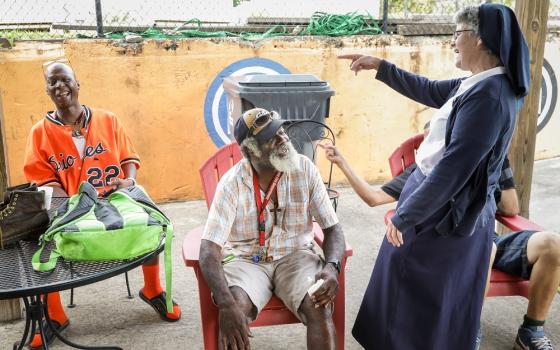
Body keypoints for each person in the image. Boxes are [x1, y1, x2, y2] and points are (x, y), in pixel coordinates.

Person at [338, 3, 530, 350]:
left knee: (422, 299)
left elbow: (454, 168)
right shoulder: (478, 84)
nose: (452, 42)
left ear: (482, 39)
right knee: (405, 290)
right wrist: (380, 66)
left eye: (457, 35)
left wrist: (406, 215)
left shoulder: (489, 97)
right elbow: (428, 89)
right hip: (431, 200)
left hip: (442, 211)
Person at [322, 138, 559, 349]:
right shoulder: (425, 170)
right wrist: (341, 162)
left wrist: (497, 166)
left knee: (553, 243)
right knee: (485, 250)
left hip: (491, 238)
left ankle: (531, 330)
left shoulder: (488, 163)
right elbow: (374, 197)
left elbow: (511, 208)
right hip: (451, 249)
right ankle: (466, 329)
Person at [23, 61, 181, 349]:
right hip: (74, 207)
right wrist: (69, 202)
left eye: (65, 80)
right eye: (52, 82)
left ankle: (153, 289)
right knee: (41, 237)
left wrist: (128, 182)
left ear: (77, 84)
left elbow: (129, 159)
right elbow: (42, 179)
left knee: (149, 220)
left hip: (116, 198)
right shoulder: (40, 132)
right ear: (46, 90)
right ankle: (55, 316)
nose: (60, 86)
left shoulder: (108, 119)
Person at [199, 108, 345, 350]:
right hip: (247, 259)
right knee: (235, 307)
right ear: (250, 151)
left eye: (281, 132)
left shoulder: (304, 169)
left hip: (297, 256)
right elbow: (208, 249)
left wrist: (332, 267)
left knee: (318, 305)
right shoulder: (232, 184)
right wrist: (225, 304)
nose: (283, 140)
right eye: (271, 138)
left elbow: (333, 229)